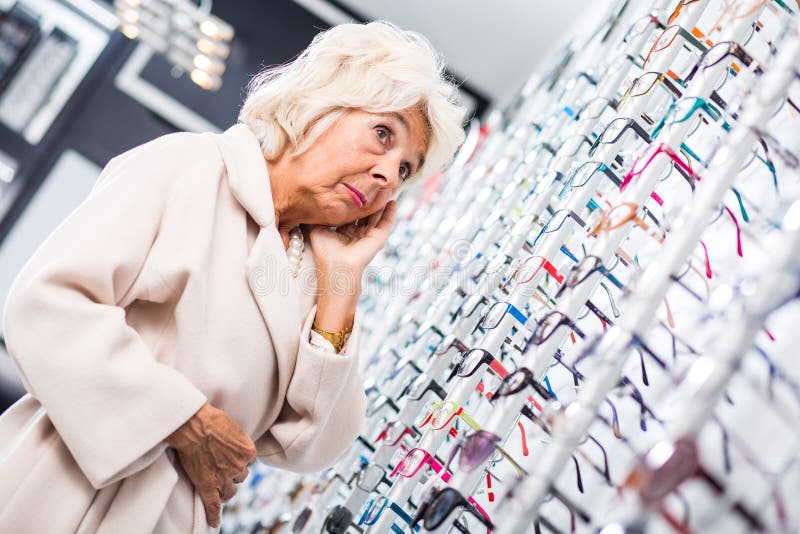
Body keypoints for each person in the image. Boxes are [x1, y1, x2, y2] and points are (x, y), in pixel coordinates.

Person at [0, 21, 464, 532]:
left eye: (405, 170)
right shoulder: (190, 167)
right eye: (383, 135)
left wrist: (342, 285)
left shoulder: (315, 268)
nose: (386, 174)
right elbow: (47, 304)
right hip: (64, 488)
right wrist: (183, 420)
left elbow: (310, 445)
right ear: (324, 106)